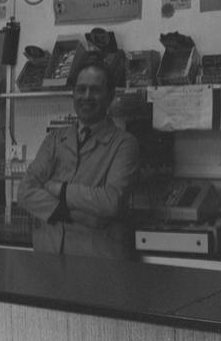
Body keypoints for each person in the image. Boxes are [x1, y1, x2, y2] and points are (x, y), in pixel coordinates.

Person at [17, 55, 140, 260]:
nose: (87, 96)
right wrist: (70, 212)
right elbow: (25, 191)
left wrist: (60, 189)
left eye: (95, 89)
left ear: (110, 96)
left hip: (98, 262)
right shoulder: (55, 140)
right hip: (48, 258)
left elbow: (111, 201)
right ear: (73, 94)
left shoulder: (124, 144)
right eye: (81, 89)